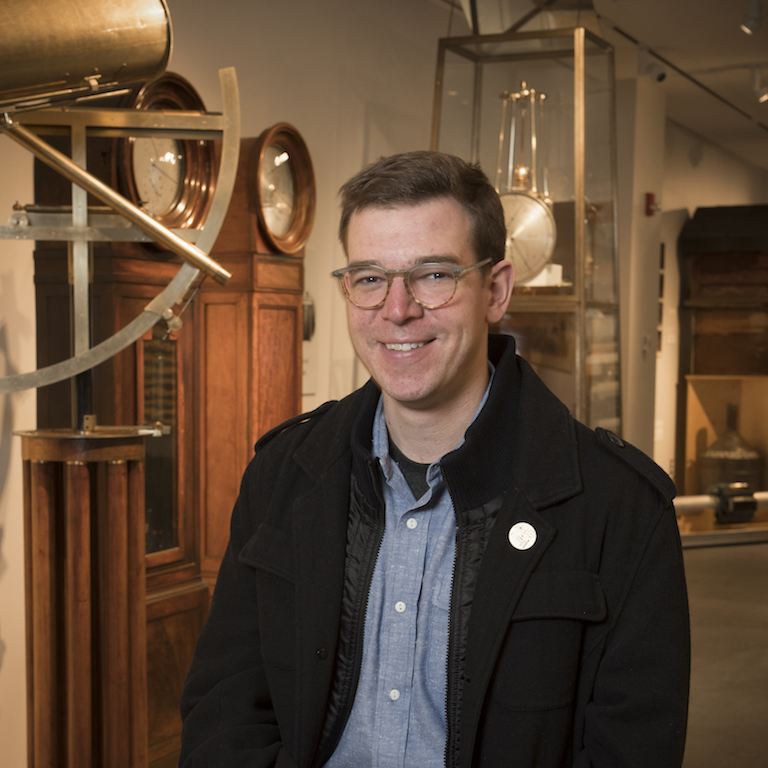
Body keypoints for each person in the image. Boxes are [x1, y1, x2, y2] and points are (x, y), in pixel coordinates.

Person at [179, 151, 690, 768]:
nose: (397, 310)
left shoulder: (621, 509)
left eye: (434, 276)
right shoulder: (282, 475)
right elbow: (224, 706)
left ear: (495, 291)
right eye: (369, 278)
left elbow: (631, 749)